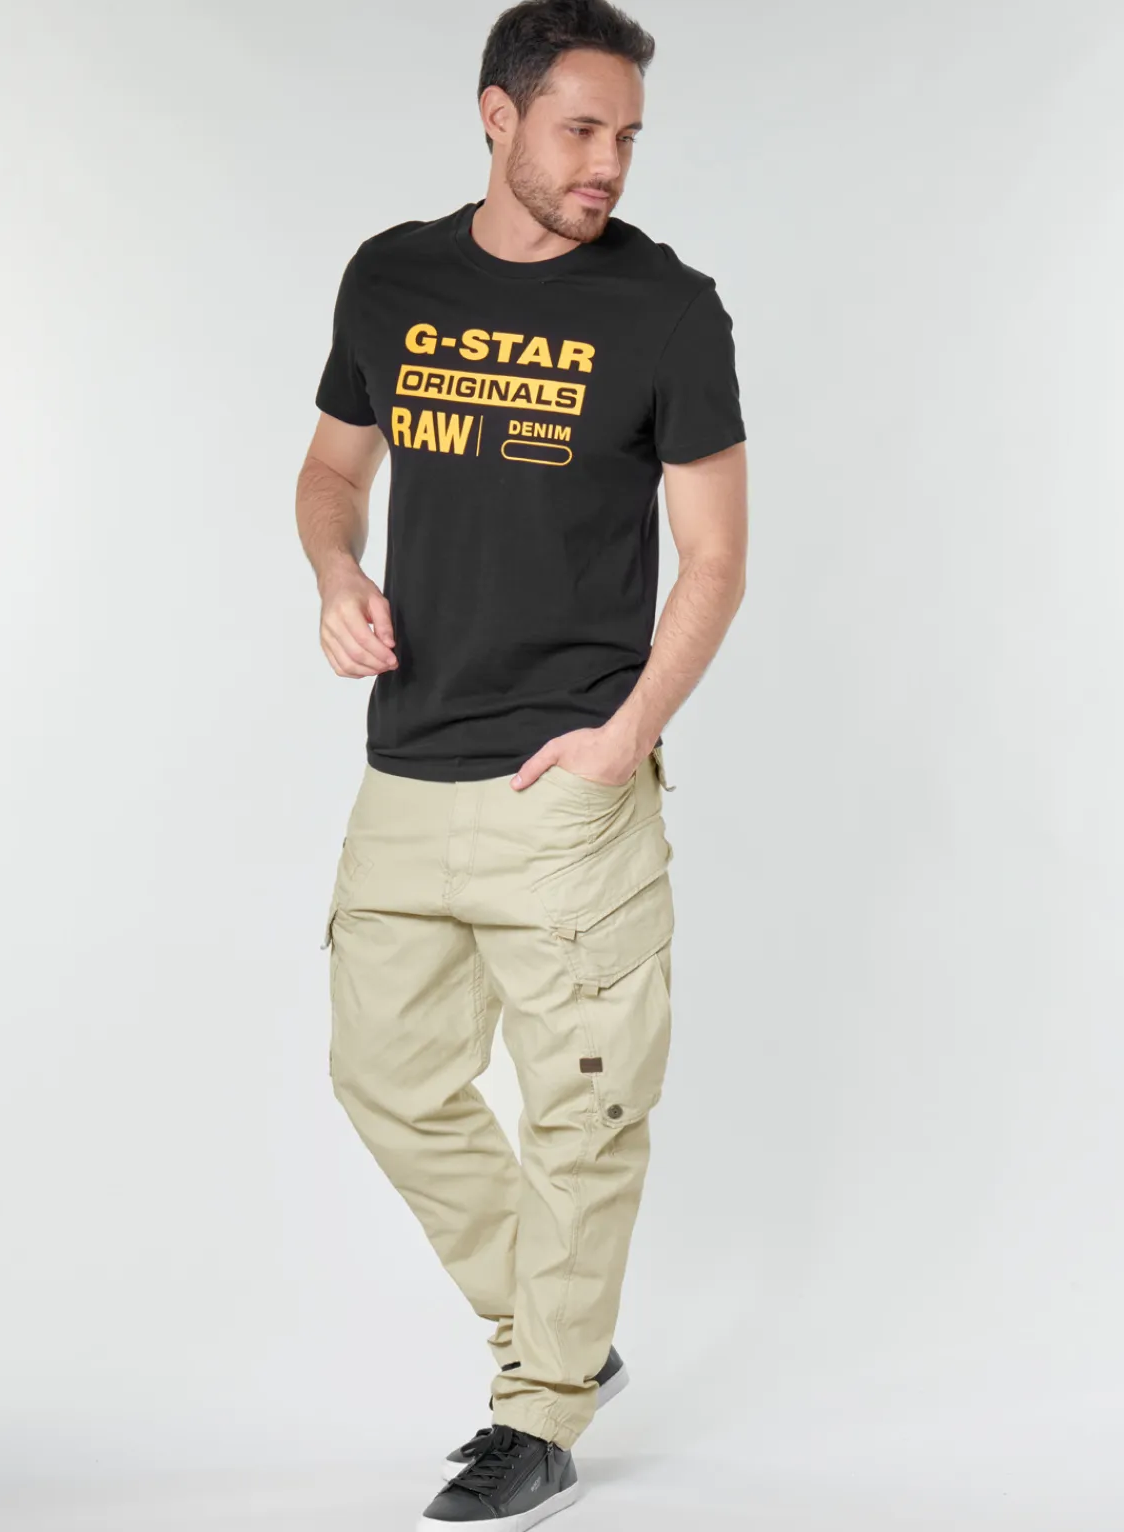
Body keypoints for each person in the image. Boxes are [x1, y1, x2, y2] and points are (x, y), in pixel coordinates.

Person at [295, 1, 747, 1525]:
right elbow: (332, 468)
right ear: (497, 117)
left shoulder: (667, 310)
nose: (608, 161)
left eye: (627, 135)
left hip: (571, 783)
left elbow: (715, 558)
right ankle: (569, 1328)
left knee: (584, 1111)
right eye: (581, 128)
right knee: (385, 1078)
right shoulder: (391, 276)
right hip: (409, 760)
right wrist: (335, 571)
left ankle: (540, 1406)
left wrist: (629, 734)